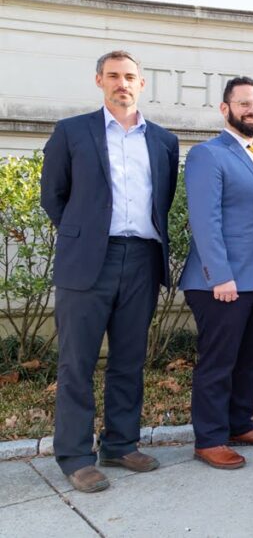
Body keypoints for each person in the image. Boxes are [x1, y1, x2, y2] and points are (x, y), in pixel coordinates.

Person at [40, 50, 179, 492]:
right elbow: (53, 195)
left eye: (131, 77)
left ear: (142, 84)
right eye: (114, 76)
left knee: (129, 360)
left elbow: (164, 198)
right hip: (87, 262)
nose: (123, 83)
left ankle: (120, 444)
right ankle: (76, 456)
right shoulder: (72, 132)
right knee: (77, 363)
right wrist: (85, 234)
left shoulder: (162, 141)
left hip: (141, 258)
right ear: (99, 80)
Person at [179, 76, 253, 469]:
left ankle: (240, 422)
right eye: (244, 103)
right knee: (218, 360)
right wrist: (219, 276)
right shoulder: (208, 154)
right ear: (225, 108)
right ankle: (209, 439)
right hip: (221, 281)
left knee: (247, 357)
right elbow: (204, 220)